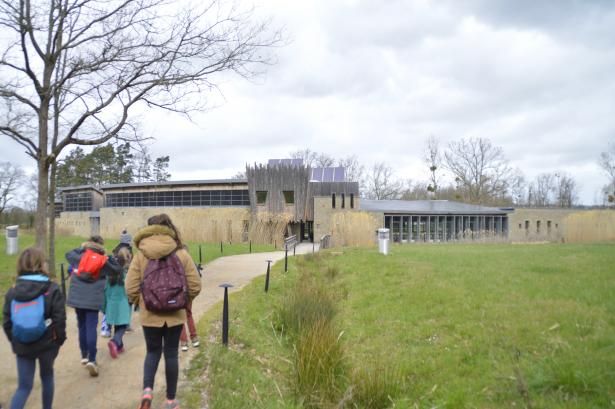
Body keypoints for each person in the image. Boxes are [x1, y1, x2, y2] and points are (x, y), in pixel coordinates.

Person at [126, 214, 201, 409]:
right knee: (170, 354)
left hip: (149, 315)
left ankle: (147, 392)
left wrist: (141, 302)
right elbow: (195, 285)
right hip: (175, 315)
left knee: (152, 352)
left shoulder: (141, 254)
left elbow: (131, 287)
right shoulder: (181, 254)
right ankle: (170, 401)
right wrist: (184, 302)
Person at [2, 247, 67, 409]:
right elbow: (60, 319)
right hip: (46, 345)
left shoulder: (12, 291)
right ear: (42, 264)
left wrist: (16, 340)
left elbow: (7, 321)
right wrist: (58, 341)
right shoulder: (51, 288)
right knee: (47, 378)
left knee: (23, 387)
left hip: (22, 345)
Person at [65, 235, 121, 377]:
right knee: (91, 327)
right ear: (101, 245)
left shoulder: (79, 257)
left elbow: (68, 254)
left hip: (77, 297)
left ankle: (84, 355)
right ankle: (92, 359)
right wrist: (107, 256)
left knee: (81, 326)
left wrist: (82, 248)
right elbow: (117, 269)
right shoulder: (103, 261)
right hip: (93, 299)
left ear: (87, 244)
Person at [103, 246, 133, 358]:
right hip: (123, 303)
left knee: (117, 324)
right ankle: (114, 341)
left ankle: (119, 346)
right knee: (123, 325)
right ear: (128, 259)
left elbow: (105, 290)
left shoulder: (110, 275)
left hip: (111, 303)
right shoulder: (127, 273)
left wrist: (104, 306)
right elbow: (130, 289)